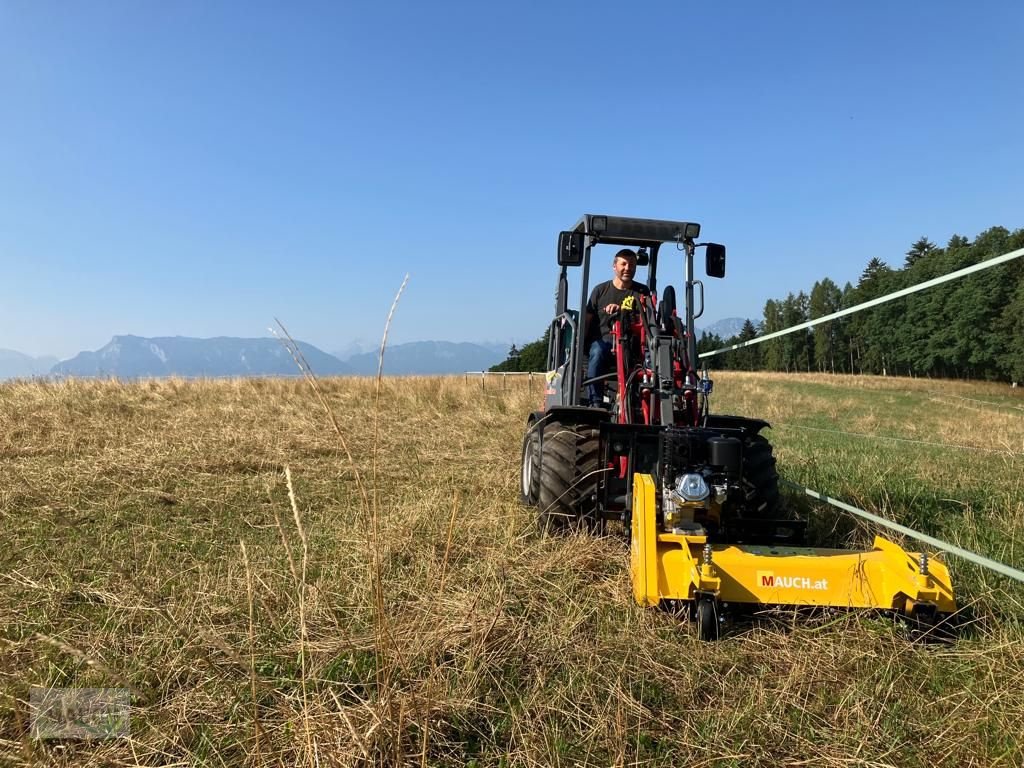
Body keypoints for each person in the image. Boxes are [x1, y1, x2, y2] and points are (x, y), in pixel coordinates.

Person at [584, 248, 650, 406]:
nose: (628, 268)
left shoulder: (641, 292)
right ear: (615, 266)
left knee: (652, 358)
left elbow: (648, 319)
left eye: (632, 264)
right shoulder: (600, 291)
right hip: (604, 342)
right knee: (597, 351)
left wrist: (622, 310)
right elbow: (587, 321)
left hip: (632, 343)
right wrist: (581, 348)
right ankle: (595, 402)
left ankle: (639, 402)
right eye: (624, 264)